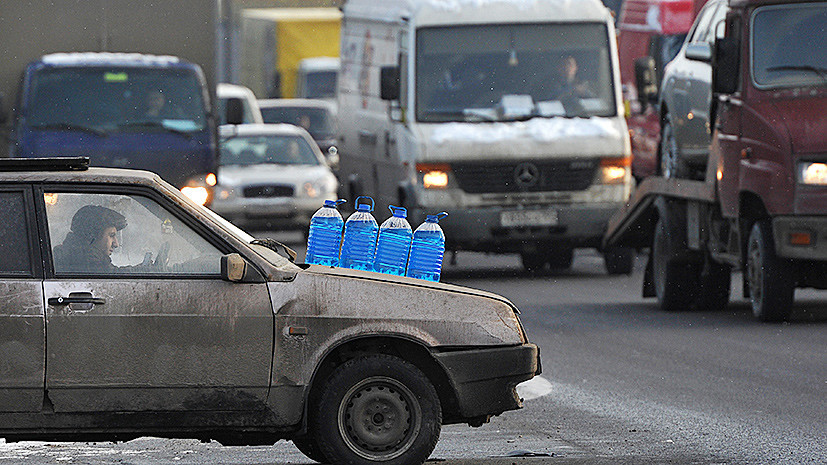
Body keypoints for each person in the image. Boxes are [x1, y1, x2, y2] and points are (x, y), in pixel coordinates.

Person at [53, 205, 128, 273]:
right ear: (92, 237)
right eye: (111, 235)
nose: (116, 244)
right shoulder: (90, 265)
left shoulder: (69, 258)